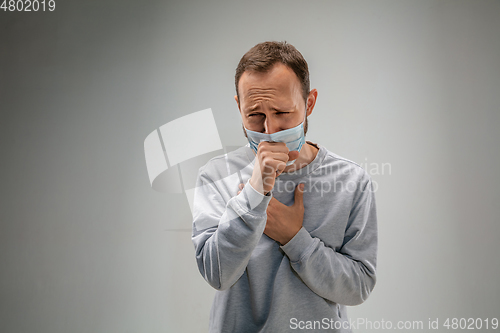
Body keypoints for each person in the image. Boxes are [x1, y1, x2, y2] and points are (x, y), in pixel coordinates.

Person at [191, 41, 378, 333]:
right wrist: (255, 193)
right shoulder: (215, 176)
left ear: (309, 103)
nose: (269, 131)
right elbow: (218, 274)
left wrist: (294, 238)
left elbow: (358, 287)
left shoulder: (351, 181)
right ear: (239, 107)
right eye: (255, 115)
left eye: (282, 113)